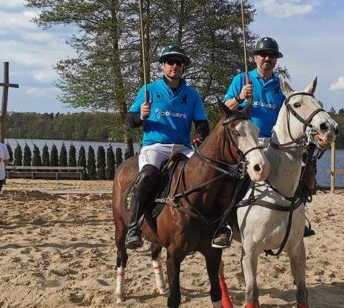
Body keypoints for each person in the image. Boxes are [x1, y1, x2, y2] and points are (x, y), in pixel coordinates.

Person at [212, 37, 314, 248]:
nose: (267, 58)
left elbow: (290, 115)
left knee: (300, 174)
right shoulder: (242, 79)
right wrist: (240, 97)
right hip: (247, 142)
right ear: (256, 57)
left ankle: (298, 221)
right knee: (235, 180)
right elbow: (224, 108)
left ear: (276, 60)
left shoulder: (281, 85)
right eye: (263, 54)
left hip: (275, 143)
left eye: (272, 55)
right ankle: (225, 226)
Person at [123, 43, 210, 249]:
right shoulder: (149, 90)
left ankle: (213, 224)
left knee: (207, 176)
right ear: (163, 65)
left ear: (183, 67)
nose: (174, 66)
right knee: (148, 175)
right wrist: (141, 115)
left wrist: (198, 136)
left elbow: (203, 124)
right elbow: (128, 120)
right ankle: (134, 228)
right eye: (170, 62)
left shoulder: (192, 95)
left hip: (183, 146)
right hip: (155, 145)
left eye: (179, 62)